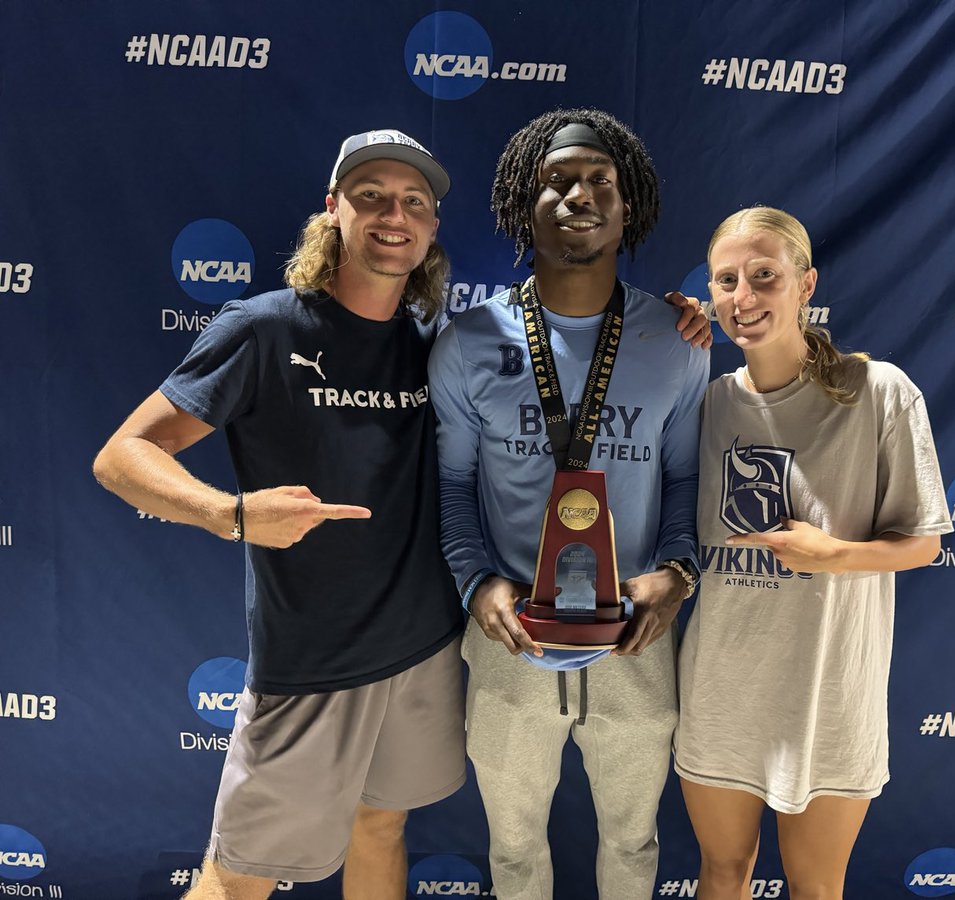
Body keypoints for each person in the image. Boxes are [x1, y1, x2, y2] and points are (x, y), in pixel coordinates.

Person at [92, 130, 467, 900]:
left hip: (428, 647)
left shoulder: (440, 345)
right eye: (371, 197)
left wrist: (682, 320)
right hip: (313, 662)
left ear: (430, 228)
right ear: (332, 212)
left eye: (415, 203)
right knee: (240, 876)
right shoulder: (264, 328)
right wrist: (228, 512)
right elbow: (122, 456)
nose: (394, 215)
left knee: (383, 826)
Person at [428, 108, 710, 900]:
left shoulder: (676, 340)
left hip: (635, 639)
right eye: (556, 182)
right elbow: (452, 490)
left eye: (599, 182)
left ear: (630, 210)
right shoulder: (469, 342)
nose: (578, 195)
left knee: (633, 842)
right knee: (513, 853)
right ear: (526, 204)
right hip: (509, 638)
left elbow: (685, 478)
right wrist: (478, 583)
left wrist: (679, 571)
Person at [674, 207, 953, 900]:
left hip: (829, 697)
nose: (743, 298)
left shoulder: (878, 392)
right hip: (720, 691)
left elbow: (922, 544)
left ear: (805, 284)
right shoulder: (704, 404)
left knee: (816, 886)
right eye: (727, 280)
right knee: (721, 872)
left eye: (764, 277)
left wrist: (833, 555)